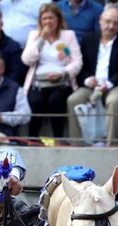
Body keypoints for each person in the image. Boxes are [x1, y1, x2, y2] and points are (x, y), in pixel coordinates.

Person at [67, 6, 118, 145]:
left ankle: (111, 144)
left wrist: (109, 83)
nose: (111, 26)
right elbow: (82, 66)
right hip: (91, 86)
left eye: (115, 23)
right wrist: (87, 80)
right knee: (73, 100)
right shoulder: (89, 39)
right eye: (108, 21)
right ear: (100, 20)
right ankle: (76, 144)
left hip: (114, 85)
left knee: (115, 100)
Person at [21, 2, 82, 139]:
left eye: (51, 18)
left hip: (61, 82)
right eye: (45, 18)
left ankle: (58, 138)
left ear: (58, 19)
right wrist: (41, 39)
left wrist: (63, 72)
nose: (48, 22)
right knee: (35, 101)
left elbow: (77, 61)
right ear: (40, 21)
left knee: (56, 100)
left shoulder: (68, 36)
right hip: (38, 83)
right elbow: (27, 60)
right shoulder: (34, 35)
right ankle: (32, 138)